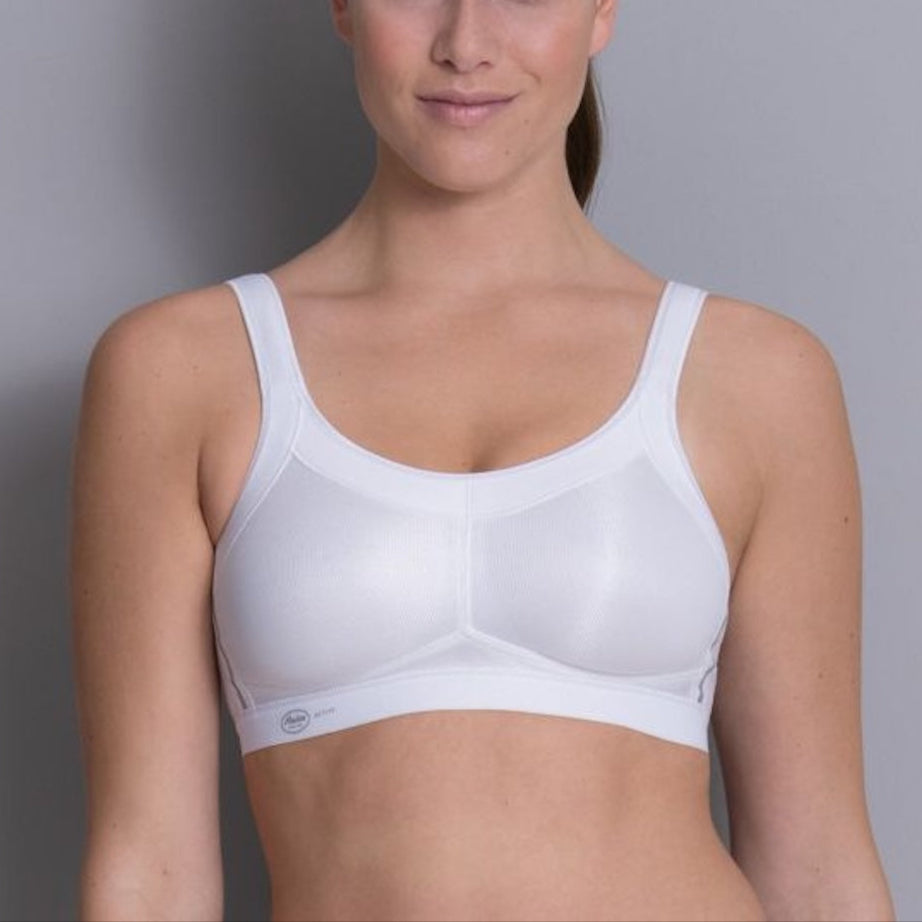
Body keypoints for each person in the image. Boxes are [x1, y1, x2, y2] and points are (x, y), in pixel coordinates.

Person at [69, 1, 896, 920]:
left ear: (602, 9)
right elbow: (149, 869)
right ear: (343, 6)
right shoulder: (182, 371)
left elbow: (816, 865)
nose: (465, 44)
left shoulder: (756, 378)